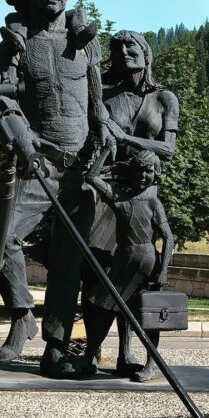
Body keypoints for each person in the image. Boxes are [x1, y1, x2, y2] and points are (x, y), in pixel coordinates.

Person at [0, 0, 114, 377]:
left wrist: (105, 133)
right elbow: (5, 102)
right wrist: (22, 144)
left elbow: (97, 103)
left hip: (80, 166)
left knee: (68, 262)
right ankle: (22, 315)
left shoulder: (86, 42)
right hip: (39, 161)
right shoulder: (16, 42)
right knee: (5, 237)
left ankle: (55, 349)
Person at [85, 29, 180, 378]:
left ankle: (129, 354)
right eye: (118, 47)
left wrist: (124, 136)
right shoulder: (106, 100)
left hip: (142, 192)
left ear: (145, 52)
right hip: (106, 192)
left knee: (135, 284)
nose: (125, 52)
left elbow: (168, 150)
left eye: (132, 46)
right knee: (98, 277)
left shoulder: (165, 98)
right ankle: (93, 353)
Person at [79, 148, 173, 382]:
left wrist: (163, 271)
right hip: (123, 261)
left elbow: (168, 237)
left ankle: (152, 365)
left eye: (148, 171)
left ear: (156, 173)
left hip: (147, 264)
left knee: (148, 314)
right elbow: (92, 177)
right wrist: (104, 153)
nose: (143, 176)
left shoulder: (153, 202)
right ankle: (90, 355)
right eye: (139, 171)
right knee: (104, 307)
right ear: (130, 172)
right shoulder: (119, 198)